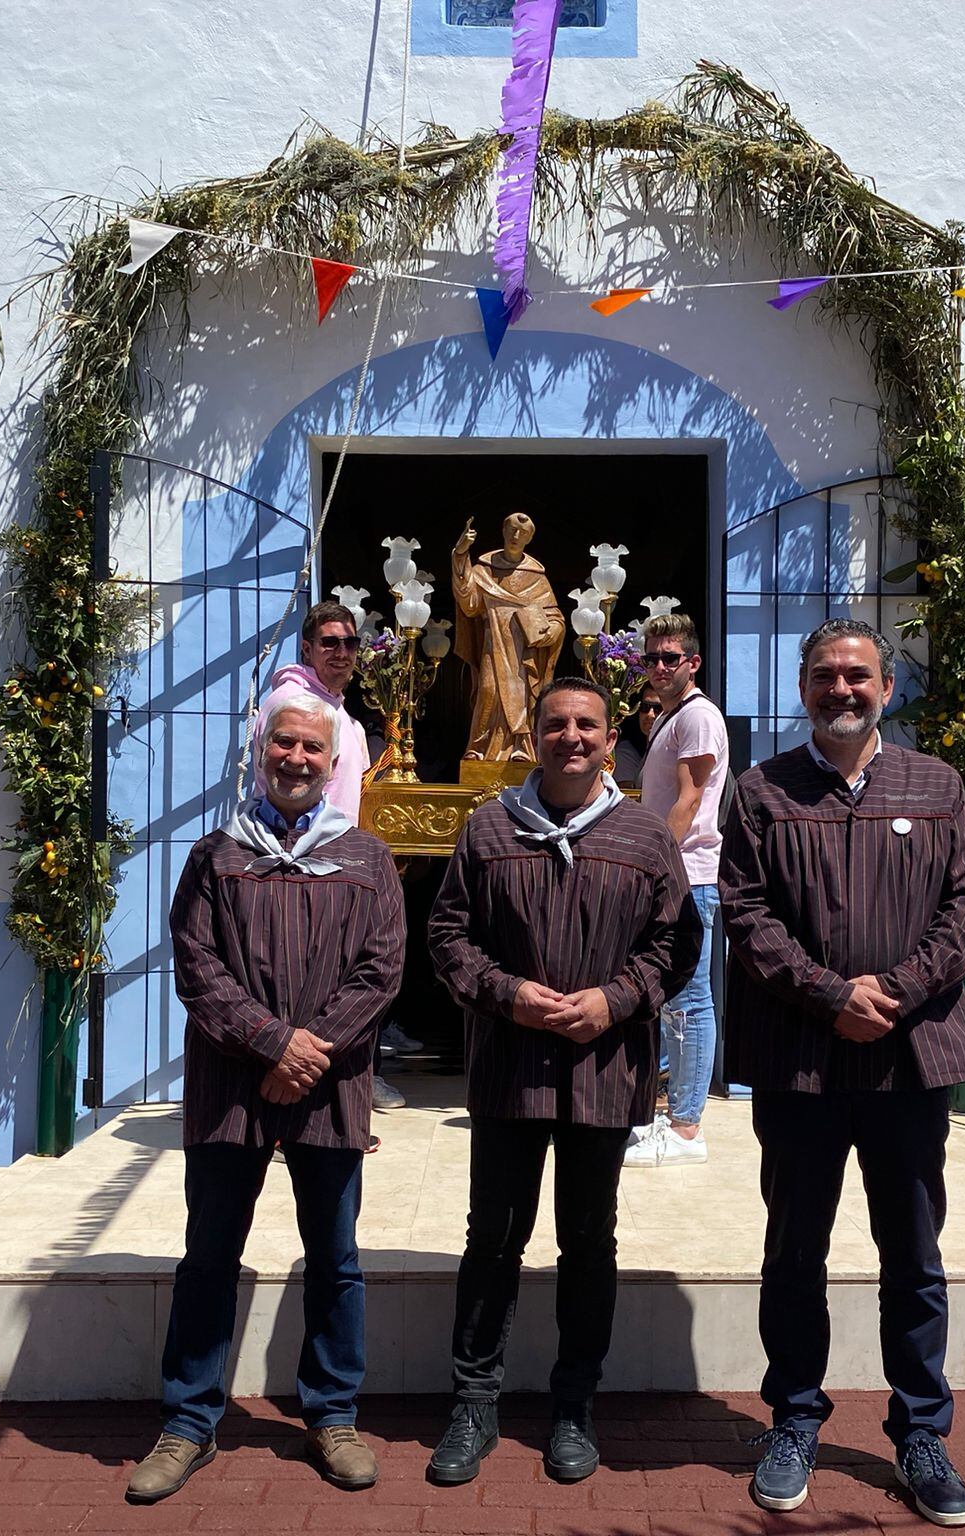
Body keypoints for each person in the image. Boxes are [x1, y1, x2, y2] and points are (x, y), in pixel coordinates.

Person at [719, 619, 965, 1527]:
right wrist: (829, 993)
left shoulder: (937, 786)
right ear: (804, 689)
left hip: (909, 1064)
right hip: (802, 1061)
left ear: (887, 686)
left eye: (858, 676)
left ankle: (920, 1433)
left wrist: (898, 991)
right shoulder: (761, 793)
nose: (843, 690)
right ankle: (794, 1419)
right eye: (827, 676)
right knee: (796, 1250)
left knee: (913, 1254)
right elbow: (747, 915)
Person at [129, 694, 407, 1503]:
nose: (295, 758)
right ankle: (187, 1422)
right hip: (231, 1085)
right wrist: (271, 1043)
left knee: (336, 1258)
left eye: (311, 749)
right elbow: (196, 967)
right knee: (210, 1255)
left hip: (329, 1087)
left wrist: (308, 1051)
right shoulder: (215, 857)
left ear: (333, 763)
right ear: (261, 752)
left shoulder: (366, 859)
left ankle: (333, 1415)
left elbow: (382, 970)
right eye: (282, 743)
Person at [426, 678, 699, 1487]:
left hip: (602, 1074)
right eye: (555, 724)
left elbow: (675, 946)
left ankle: (575, 1405)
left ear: (610, 739)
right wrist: (507, 993)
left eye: (586, 725)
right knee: (493, 1239)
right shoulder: (487, 831)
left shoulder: (646, 838)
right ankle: (473, 1403)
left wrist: (613, 1001)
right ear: (534, 736)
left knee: (588, 1242)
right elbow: (447, 936)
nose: (571, 737)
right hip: (511, 1073)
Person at [261, 599, 419, 1102]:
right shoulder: (299, 703)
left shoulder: (336, 707)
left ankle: (334, 1094)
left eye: (351, 643)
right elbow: (294, 788)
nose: (342, 652)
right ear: (307, 648)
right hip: (304, 862)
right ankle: (296, 1104)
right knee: (302, 982)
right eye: (330, 642)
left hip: (338, 861)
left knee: (340, 977)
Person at [626, 614, 731, 1170]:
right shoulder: (671, 717)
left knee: (689, 1000)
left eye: (671, 658)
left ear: (692, 662)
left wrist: (653, 865)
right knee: (671, 1000)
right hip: (678, 873)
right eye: (652, 658)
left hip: (688, 875)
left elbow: (690, 800)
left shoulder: (697, 717)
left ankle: (688, 1128)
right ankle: (672, 1115)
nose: (660, 667)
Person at [451, 513, 564, 765]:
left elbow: (554, 617)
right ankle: (479, 748)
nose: (516, 536)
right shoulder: (484, 571)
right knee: (489, 690)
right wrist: (460, 555)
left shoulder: (536, 578)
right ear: (503, 531)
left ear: (530, 538)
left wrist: (552, 631)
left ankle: (520, 748)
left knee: (522, 696)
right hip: (494, 645)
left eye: (522, 533)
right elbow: (469, 602)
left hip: (523, 652)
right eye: (512, 530)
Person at [610, 686, 660, 789]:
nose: (650, 714)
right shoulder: (626, 751)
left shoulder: (675, 752)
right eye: (644, 707)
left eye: (658, 708)